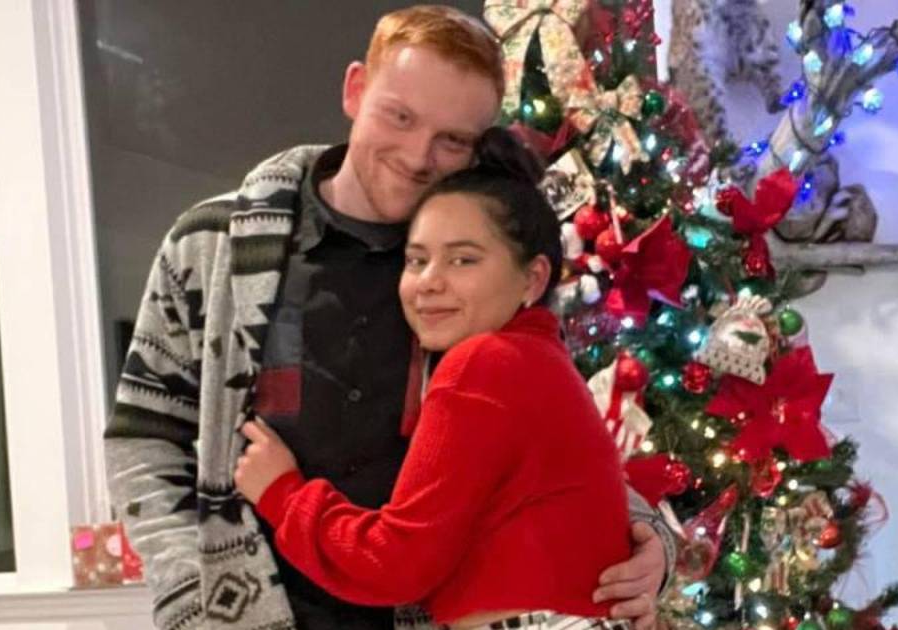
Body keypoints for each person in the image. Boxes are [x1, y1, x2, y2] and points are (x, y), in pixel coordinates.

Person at [104, 6, 676, 630]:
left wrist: (646, 537)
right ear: (355, 90)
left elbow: (544, 441)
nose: (417, 155)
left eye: (452, 139)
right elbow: (145, 437)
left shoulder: (483, 273)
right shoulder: (209, 246)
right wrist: (190, 597)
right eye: (399, 116)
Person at [235, 127, 634, 630]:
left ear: (532, 279)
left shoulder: (485, 364)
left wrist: (281, 493)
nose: (429, 282)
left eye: (463, 259)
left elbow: (393, 566)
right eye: (417, 260)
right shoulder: (537, 360)